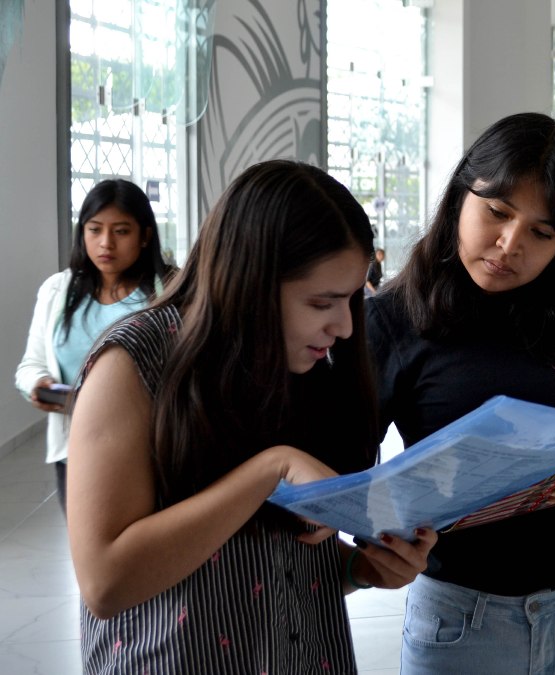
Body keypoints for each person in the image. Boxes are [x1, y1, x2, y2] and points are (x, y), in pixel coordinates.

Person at [66, 160, 435, 673]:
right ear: (251, 280)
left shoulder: (299, 363)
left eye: (350, 299)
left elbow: (279, 565)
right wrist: (271, 470)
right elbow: (106, 583)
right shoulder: (133, 363)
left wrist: (365, 567)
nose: (346, 327)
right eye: (322, 301)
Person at [366, 113, 555, 673]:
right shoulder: (394, 320)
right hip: (461, 618)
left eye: (542, 232)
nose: (509, 245)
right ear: (461, 194)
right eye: (498, 212)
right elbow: (344, 480)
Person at [15, 179, 170, 513]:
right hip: (75, 452)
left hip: (148, 452)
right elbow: (30, 365)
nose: (105, 243)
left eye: (121, 231)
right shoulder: (58, 291)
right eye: (94, 229)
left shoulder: (170, 291)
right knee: (90, 559)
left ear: (144, 236)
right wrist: (39, 386)